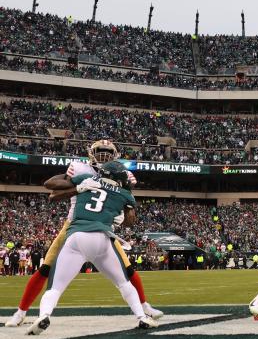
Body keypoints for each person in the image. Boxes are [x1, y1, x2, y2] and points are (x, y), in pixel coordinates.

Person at [6, 140, 162, 328]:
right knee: (46, 268)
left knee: (128, 270)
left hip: (102, 227)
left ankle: (144, 306)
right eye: (100, 151)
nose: (103, 156)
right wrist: (78, 188)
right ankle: (21, 312)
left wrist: (122, 201)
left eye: (107, 152)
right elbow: (53, 187)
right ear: (91, 153)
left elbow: (124, 205)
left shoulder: (122, 174)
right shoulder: (80, 169)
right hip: (74, 223)